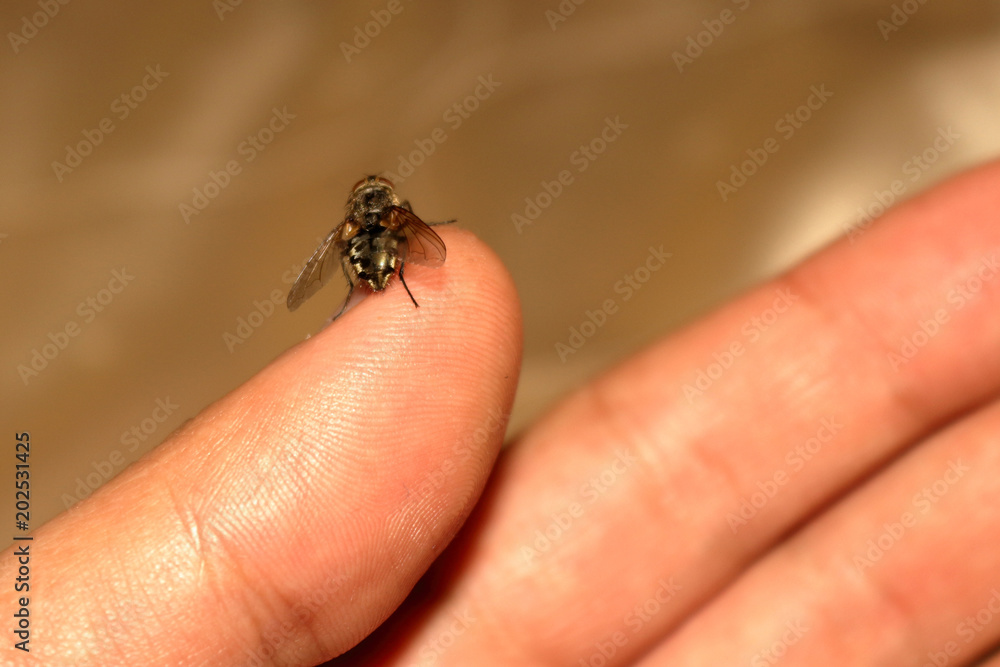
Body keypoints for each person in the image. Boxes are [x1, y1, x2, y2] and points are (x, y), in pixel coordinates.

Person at [6, 161, 1000, 666]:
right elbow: (404, 252)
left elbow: (368, 259)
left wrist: (375, 278)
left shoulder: (370, 232)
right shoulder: (396, 228)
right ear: (385, 213)